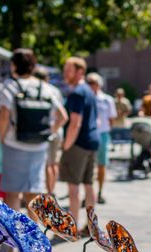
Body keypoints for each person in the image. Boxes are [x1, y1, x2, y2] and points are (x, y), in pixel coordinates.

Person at [0, 49, 67, 232]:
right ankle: (32, 235)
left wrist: (2, 137)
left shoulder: (10, 86)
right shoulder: (47, 88)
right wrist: (48, 133)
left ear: (13, 65)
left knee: (12, 194)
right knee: (33, 194)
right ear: (33, 66)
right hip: (39, 147)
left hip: (14, 145)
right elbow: (62, 116)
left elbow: (4, 116)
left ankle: (13, 239)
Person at [60, 57, 99, 226]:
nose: (65, 73)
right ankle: (90, 226)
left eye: (69, 70)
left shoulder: (77, 93)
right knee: (89, 184)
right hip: (92, 141)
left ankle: (72, 226)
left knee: (73, 187)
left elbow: (75, 123)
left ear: (80, 72)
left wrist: (66, 145)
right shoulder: (89, 91)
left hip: (78, 143)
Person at [34, 67, 65, 196]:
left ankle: (49, 192)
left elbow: (63, 115)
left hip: (49, 130)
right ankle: (52, 190)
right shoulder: (55, 90)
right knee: (54, 163)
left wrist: (51, 130)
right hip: (57, 130)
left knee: (48, 164)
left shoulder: (42, 91)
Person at [87, 72, 117, 204]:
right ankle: (88, 194)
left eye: (93, 82)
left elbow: (112, 119)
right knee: (88, 167)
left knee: (101, 165)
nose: (90, 85)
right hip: (88, 135)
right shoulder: (86, 98)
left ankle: (99, 192)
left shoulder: (107, 100)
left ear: (99, 84)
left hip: (102, 134)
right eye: (89, 82)